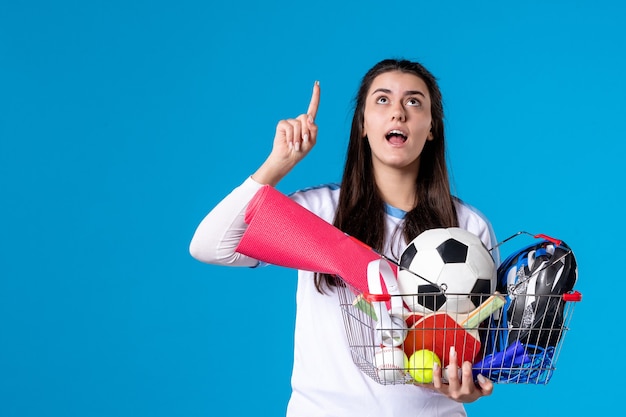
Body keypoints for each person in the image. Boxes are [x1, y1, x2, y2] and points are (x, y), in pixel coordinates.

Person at [189, 58, 499, 416]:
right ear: (363, 125)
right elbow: (211, 245)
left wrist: (469, 389)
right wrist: (278, 164)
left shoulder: (466, 227)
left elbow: (481, 354)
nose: (398, 112)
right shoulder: (318, 210)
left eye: (414, 102)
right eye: (382, 100)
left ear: (432, 127)